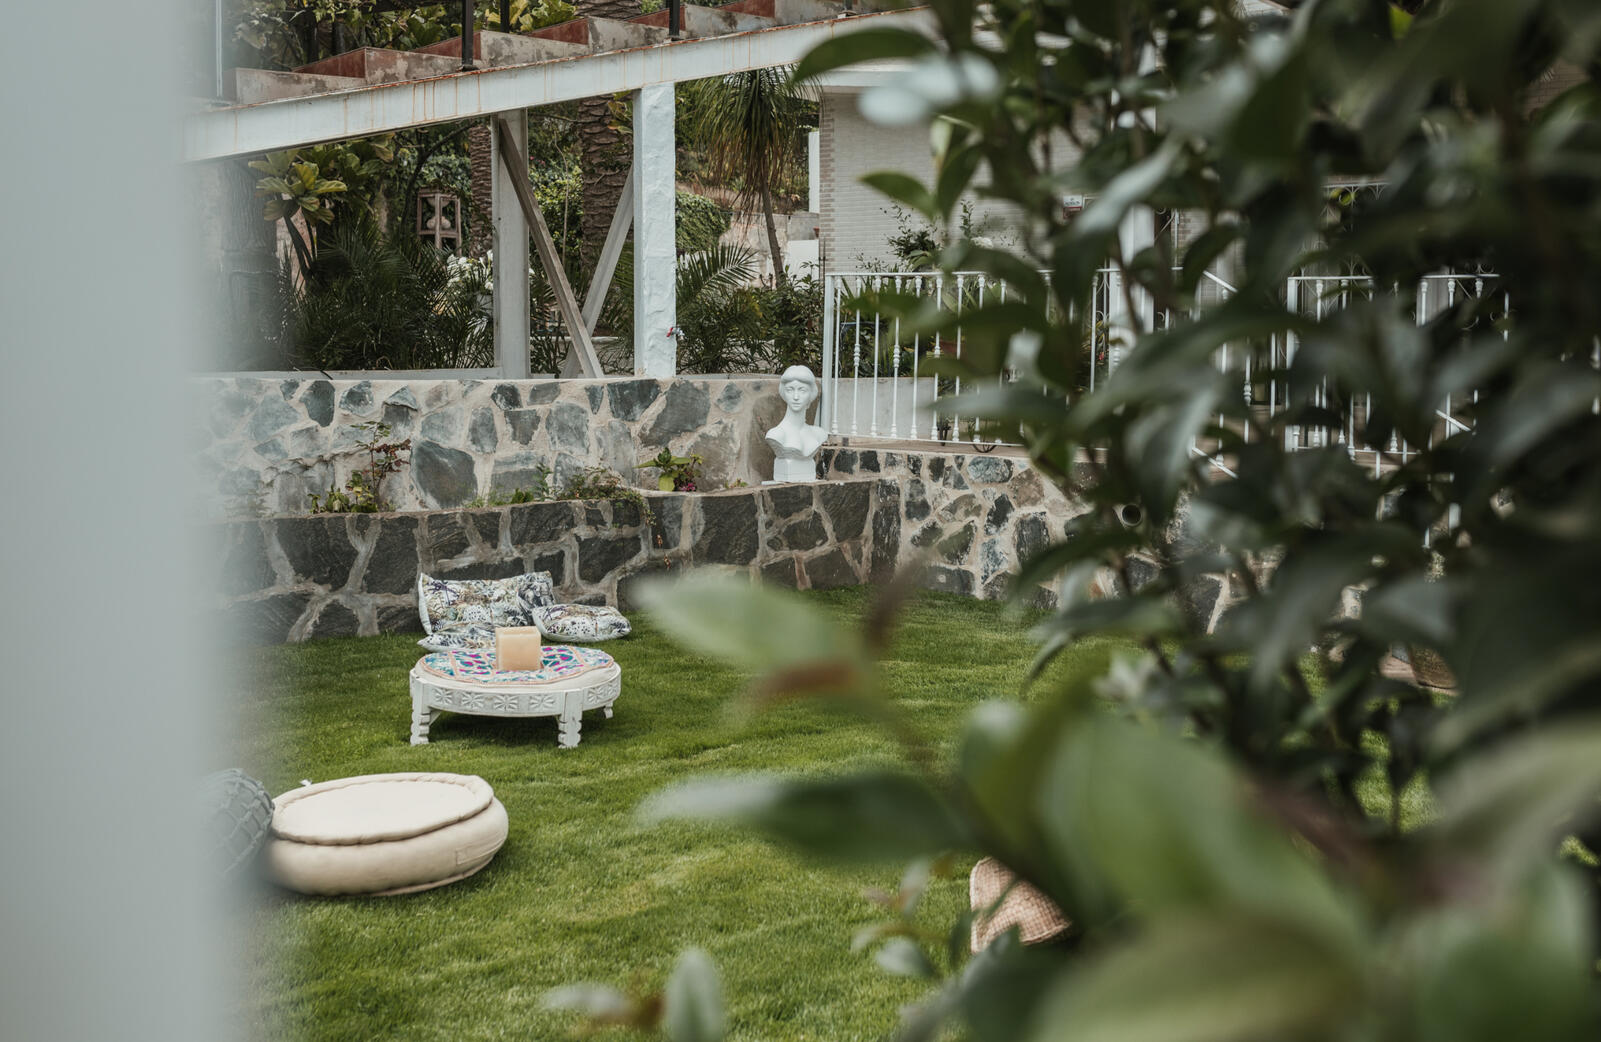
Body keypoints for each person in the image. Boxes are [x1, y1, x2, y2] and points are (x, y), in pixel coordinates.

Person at [765, 365, 826, 482]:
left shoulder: (819, 434)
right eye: (790, 390)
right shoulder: (776, 435)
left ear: (811, 395)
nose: (796, 397)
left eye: (802, 390)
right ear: (784, 393)